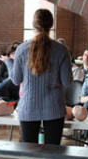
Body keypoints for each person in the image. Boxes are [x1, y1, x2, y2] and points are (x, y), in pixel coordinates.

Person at [8, 9, 72, 145]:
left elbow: (15, 80)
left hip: (28, 107)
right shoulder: (61, 50)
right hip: (54, 108)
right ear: (51, 25)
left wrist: (9, 63)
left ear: (33, 25)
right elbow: (67, 81)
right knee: (52, 153)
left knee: (29, 153)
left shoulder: (22, 49)